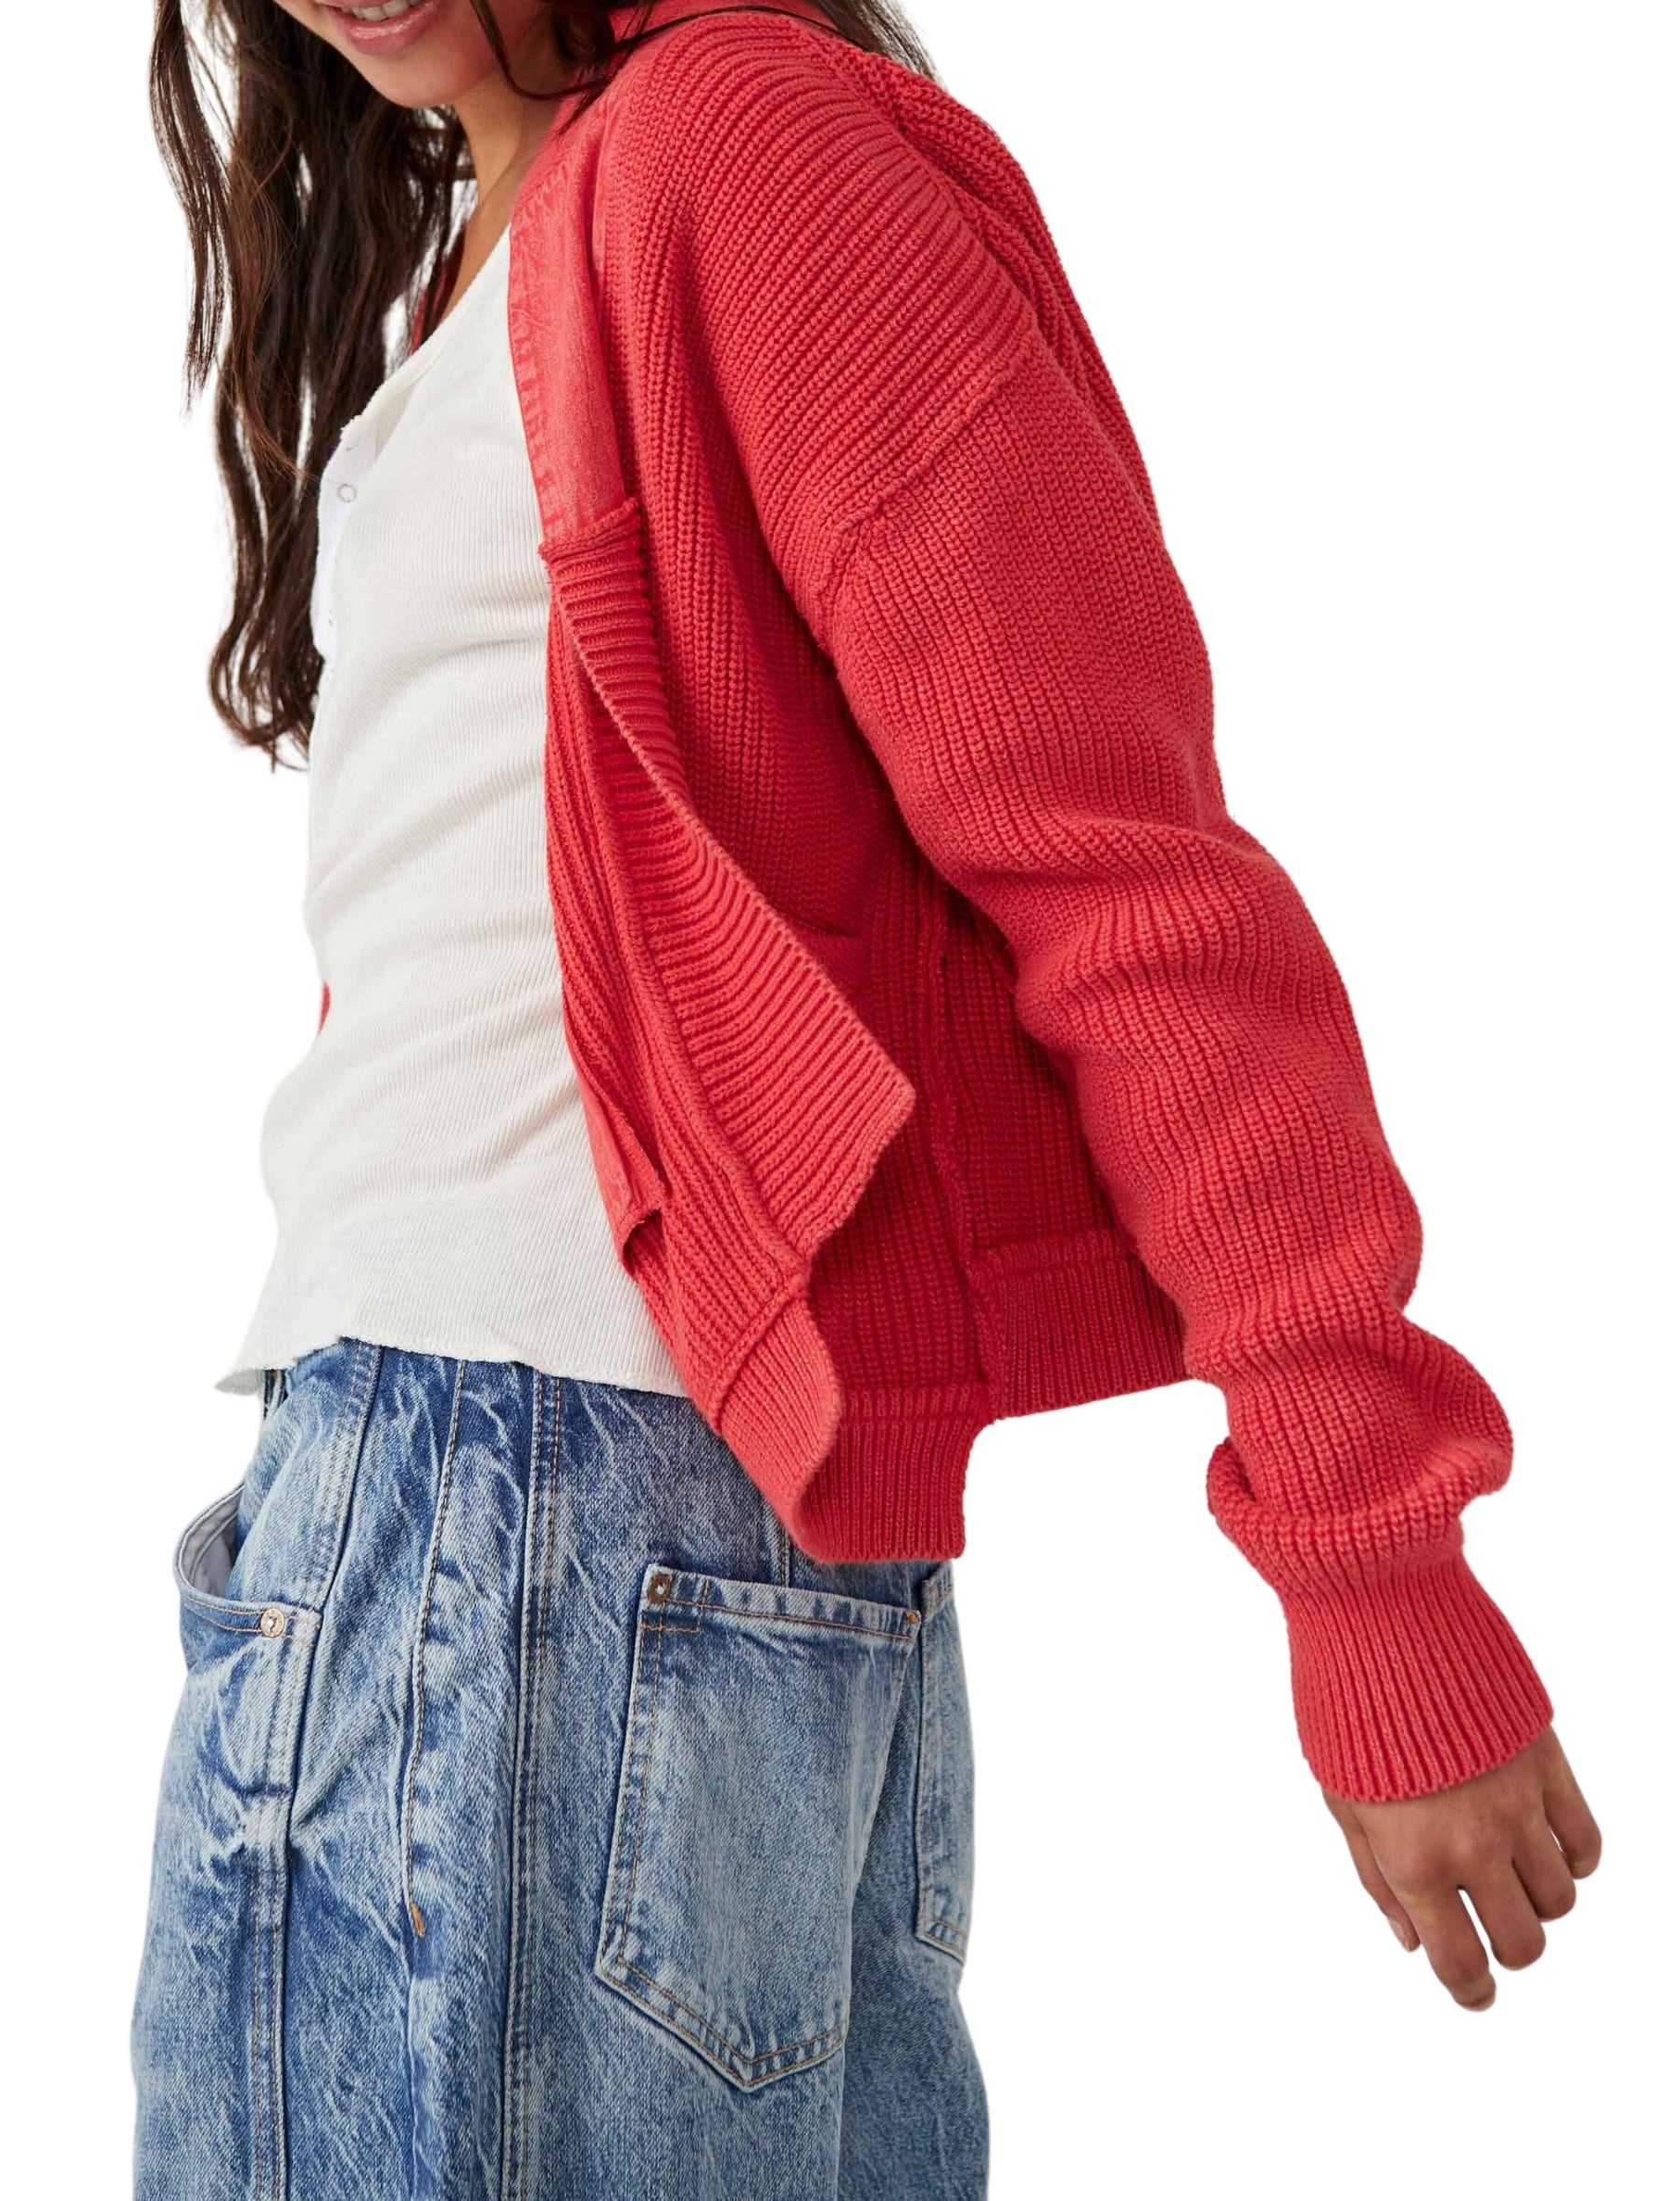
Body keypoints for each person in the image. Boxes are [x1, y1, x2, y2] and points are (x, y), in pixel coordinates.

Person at [132, 4, 1602, 2195]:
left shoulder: (729, 138)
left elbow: (1111, 867)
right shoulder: (503, 242)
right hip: (561, 1508)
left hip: (514, 1502)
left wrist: (1367, 1556)